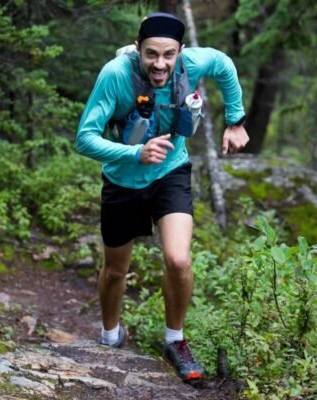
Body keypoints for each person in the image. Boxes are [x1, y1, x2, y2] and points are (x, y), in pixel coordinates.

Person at [75, 12, 249, 381]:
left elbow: (224, 63)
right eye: (151, 54)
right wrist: (133, 153)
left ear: (181, 51)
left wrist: (236, 121)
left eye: (168, 55)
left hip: (171, 173)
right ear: (137, 49)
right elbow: (84, 138)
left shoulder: (193, 63)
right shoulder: (115, 76)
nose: (160, 64)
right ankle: (110, 336)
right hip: (122, 180)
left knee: (179, 260)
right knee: (116, 270)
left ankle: (176, 340)